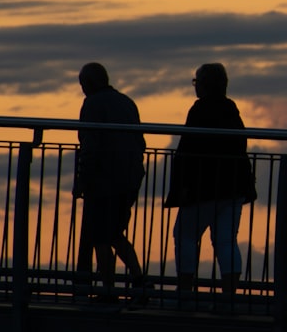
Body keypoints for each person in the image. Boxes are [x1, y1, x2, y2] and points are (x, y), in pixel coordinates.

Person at [164, 63, 257, 302]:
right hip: (233, 187)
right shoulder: (231, 108)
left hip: (203, 188)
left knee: (184, 234)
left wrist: (182, 186)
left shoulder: (200, 109)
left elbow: (189, 148)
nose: (195, 87)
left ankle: (184, 291)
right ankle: (229, 295)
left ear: (204, 85)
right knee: (226, 240)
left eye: (196, 82)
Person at [72, 63, 148, 302]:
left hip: (104, 180)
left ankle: (108, 290)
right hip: (129, 178)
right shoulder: (126, 102)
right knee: (115, 232)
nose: (82, 89)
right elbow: (140, 142)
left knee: (100, 237)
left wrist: (82, 180)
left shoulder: (92, 105)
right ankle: (138, 280)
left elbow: (90, 146)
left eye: (83, 84)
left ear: (90, 84)